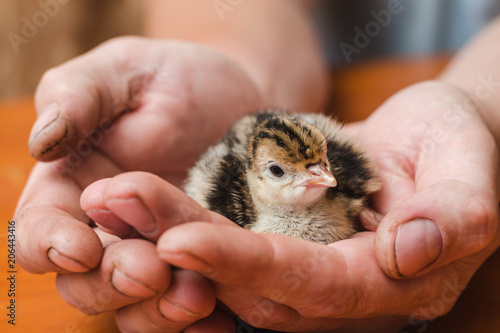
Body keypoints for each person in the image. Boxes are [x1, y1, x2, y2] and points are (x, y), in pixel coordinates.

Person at [15, 1, 500, 332]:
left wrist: (479, 110)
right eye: (280, 173)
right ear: (255, 177)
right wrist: (242, 67)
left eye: (319, 167)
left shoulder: (338, 181)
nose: (323, 178)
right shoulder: (231, 196)